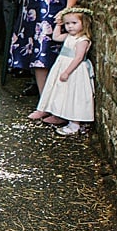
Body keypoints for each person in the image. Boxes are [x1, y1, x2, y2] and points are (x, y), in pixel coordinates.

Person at [31, 7, 95, 135]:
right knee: (63, 93)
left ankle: (75, 124)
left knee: (74, 95)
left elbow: (78, 58)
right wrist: (58, 25)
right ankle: (60, 114)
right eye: (67, 24)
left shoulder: (82, 40)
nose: (70, 27)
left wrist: (67, 72)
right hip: (62, 65)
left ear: (84, 23)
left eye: (74, 23)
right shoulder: (68, 36)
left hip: (74, 70)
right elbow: (56, 37)